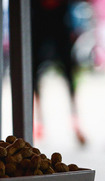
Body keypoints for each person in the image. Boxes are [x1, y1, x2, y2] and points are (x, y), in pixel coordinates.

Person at [31, 0, 86, 145]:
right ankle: (38, 123)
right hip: (39, 25)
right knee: (33, 78)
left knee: (70, 75)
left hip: (60, 25)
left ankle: (76, 122)